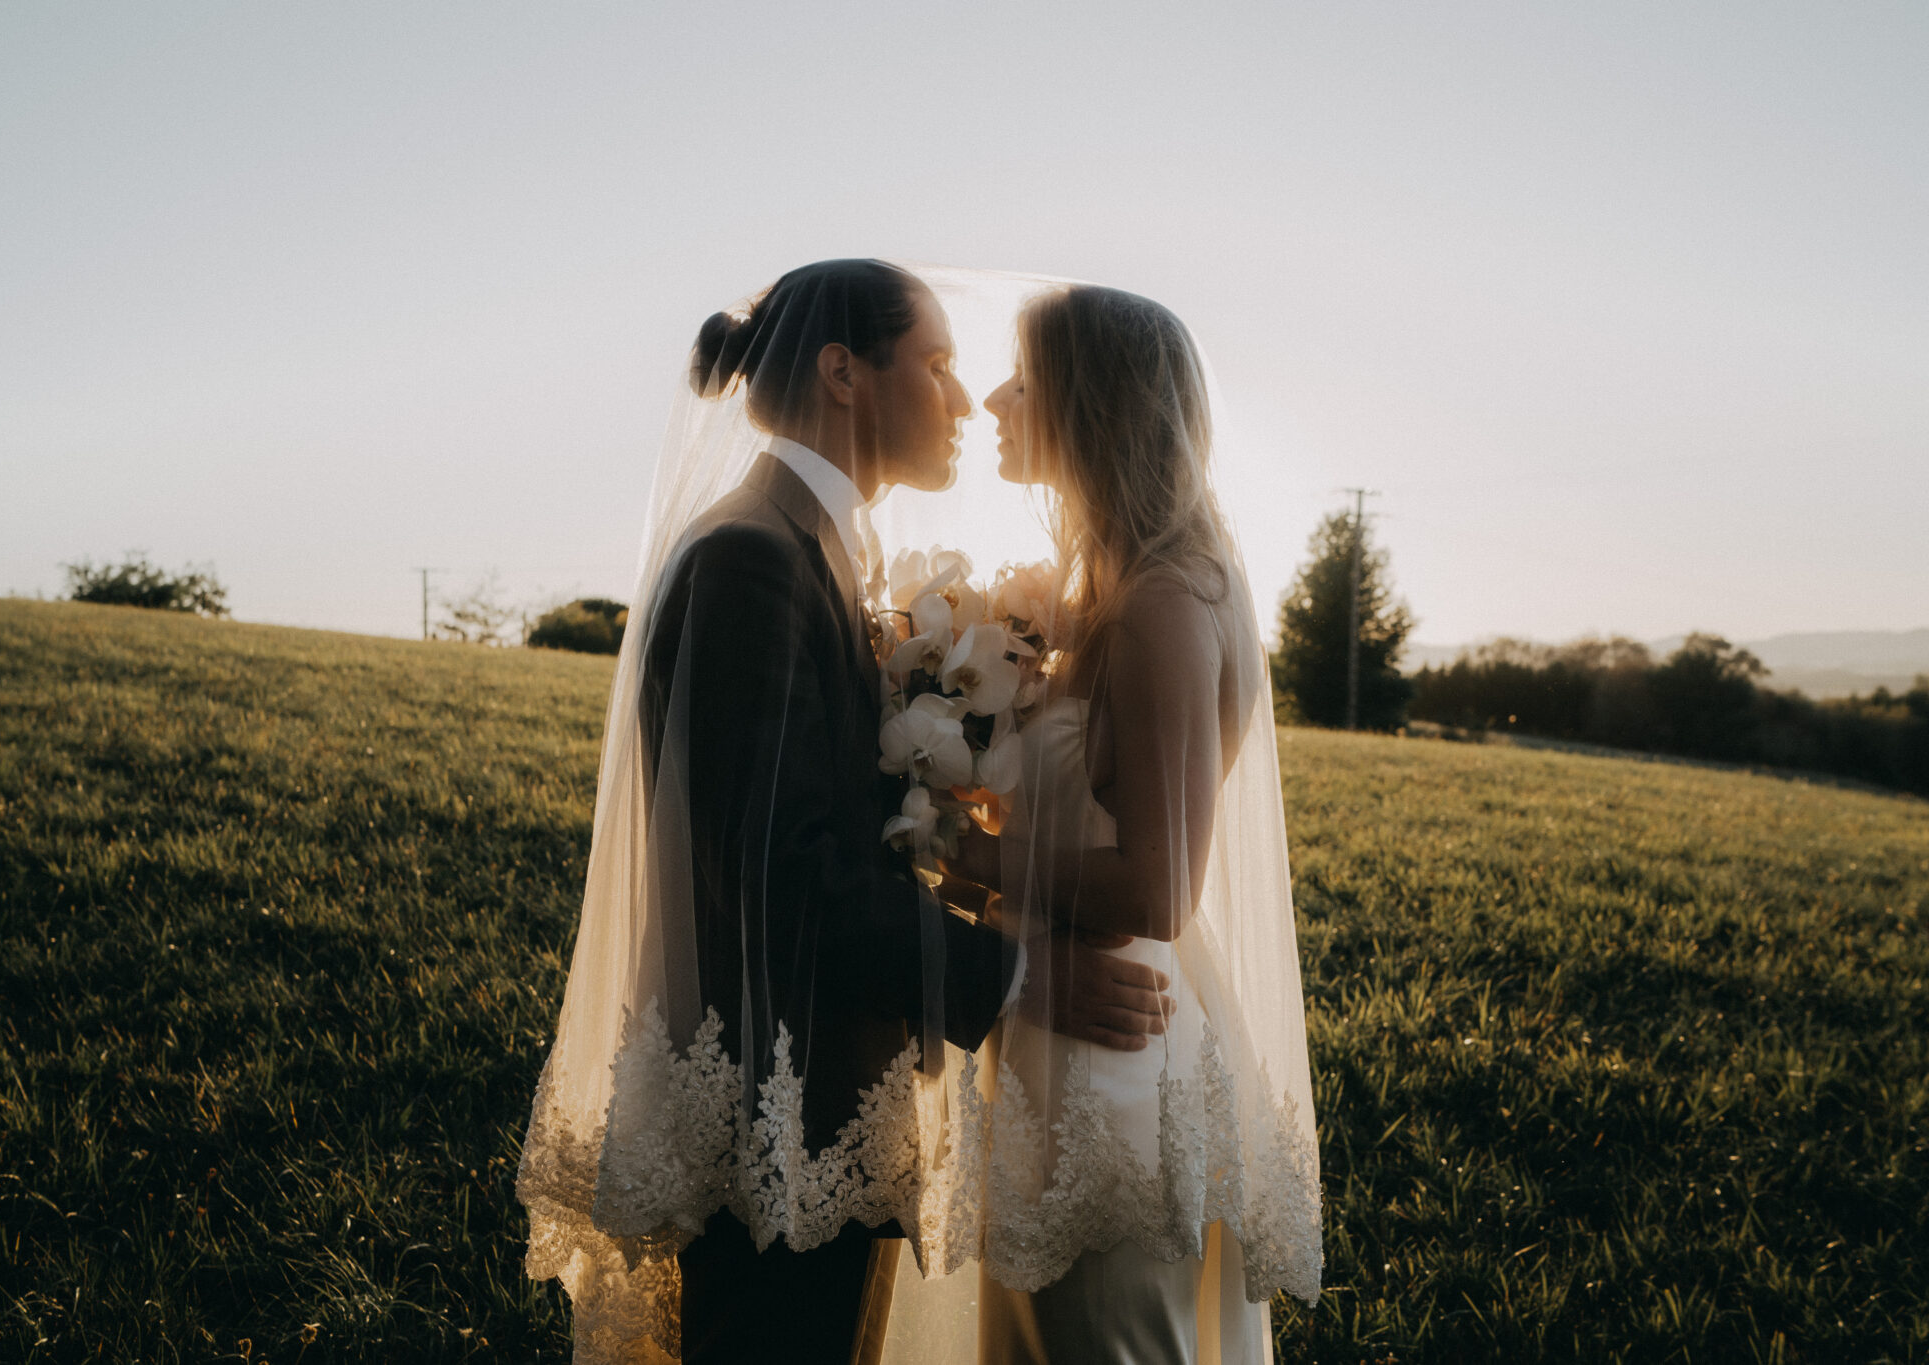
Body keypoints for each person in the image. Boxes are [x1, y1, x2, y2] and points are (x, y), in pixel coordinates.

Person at [515, 260, 1176, 1365]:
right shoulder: (747, 559)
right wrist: (1010, 979)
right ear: (841, 374)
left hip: (827, 1102)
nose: (964, 401)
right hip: (777, 1110)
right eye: (936, 364)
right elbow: (781, 867)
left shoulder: (822, 545)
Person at [901, 283, 1324, 1364]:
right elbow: (1088, 806)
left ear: (1096, 404)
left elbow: (1155, 885)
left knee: (1099, 1341)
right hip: (1069, 1018)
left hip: (1113, 1051)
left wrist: (952, 849)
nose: (992, 397)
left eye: (1026, 379)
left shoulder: (1166, 601)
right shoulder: (1120, 584)